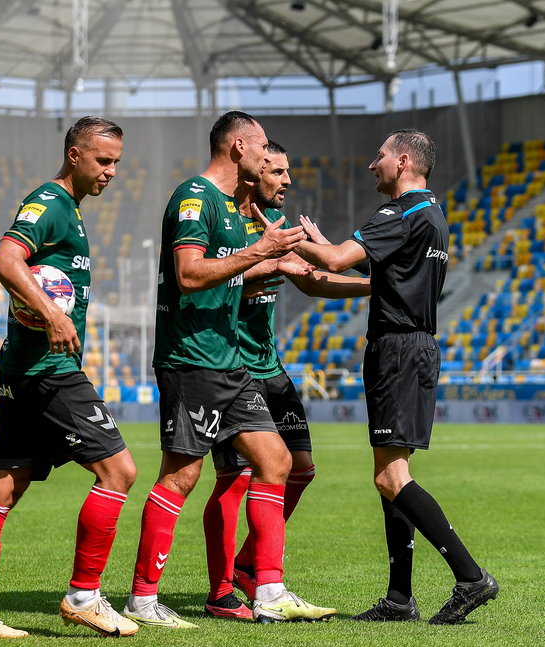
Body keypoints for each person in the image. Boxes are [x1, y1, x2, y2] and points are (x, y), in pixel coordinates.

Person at [123, 111, 335, 628]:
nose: (270, 159)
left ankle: (268, 590)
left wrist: (270, 261)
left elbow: (231, 268)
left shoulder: (230, 205)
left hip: (230, 363)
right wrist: (260, 252)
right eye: (264, 149)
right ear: (239, 146)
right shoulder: (195, 197)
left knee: (277, 463)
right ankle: (143, 599)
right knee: (181, 477)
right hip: (191, 358)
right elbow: (190, 274)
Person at [294, 129, 498, 624]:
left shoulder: (398, 212)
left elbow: (340, 260)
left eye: (380, 155)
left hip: (397, 350)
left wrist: (289, 242)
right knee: (391, 476)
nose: (372, 164)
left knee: (390, 476)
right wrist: (325, 246)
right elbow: (377, 273)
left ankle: (470, 577)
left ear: (404, 161)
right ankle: (399, 598)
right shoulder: (432, 214)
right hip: (417, 346)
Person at [0, 117, 139, 640]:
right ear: (75, 155)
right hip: (47, 372)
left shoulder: (72, 211)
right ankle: (84, 596)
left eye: (117, 162)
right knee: (119, 472)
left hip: (24, 368)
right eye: (104, 161)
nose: (112, 172)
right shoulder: (50, 204)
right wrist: (53, 316)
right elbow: (5, 259)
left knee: (0, 491)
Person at [201, 141, 370, 620]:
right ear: (254, 173)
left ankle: (250, 563)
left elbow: (314, 279)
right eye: (278, 171)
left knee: (302, 468)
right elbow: (196, 277)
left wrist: (381, 285)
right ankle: (223, 590)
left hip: (270, 367)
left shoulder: (273, 228)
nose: (288, 181)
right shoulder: (222, 221)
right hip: (231, 367)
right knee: (233, 479)